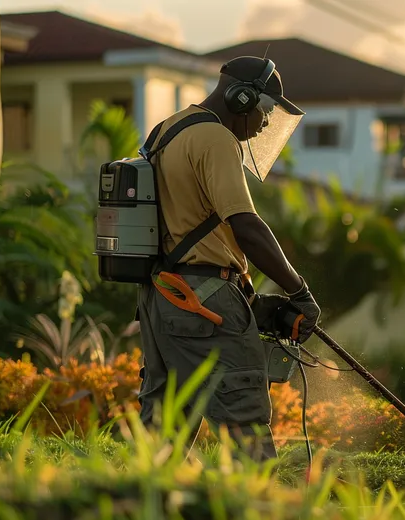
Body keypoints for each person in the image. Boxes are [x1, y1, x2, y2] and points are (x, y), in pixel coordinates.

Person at [135, 56, 321, 462]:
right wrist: (299, 290)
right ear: (241, 97)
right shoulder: (217, 139)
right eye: (266, 110)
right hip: (203, 301)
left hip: (161, 296)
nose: (267, 122)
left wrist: (249, 300)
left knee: (161, 440)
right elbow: (247, 228)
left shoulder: (167, 130)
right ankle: (254, 516)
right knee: (247, 437)